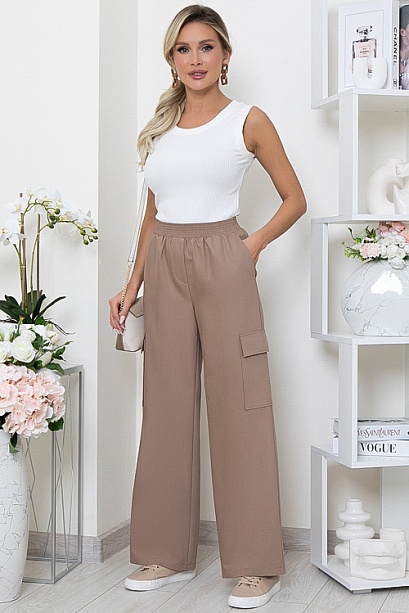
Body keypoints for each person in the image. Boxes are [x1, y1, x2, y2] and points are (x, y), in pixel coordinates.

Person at [109, 4, 306, 609]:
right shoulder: (162, 130)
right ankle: (164, 555)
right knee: (165, 408)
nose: (195, 59)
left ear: (225, 55)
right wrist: (131, 285)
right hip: (165, 265)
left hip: (224, 257)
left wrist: (249, 247)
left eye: (206, 47)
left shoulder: (248, 119)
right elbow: (152, 216)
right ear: (171, 60)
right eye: (183, 49)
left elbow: (295, 199)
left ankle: (255, 565)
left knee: (240, 406)